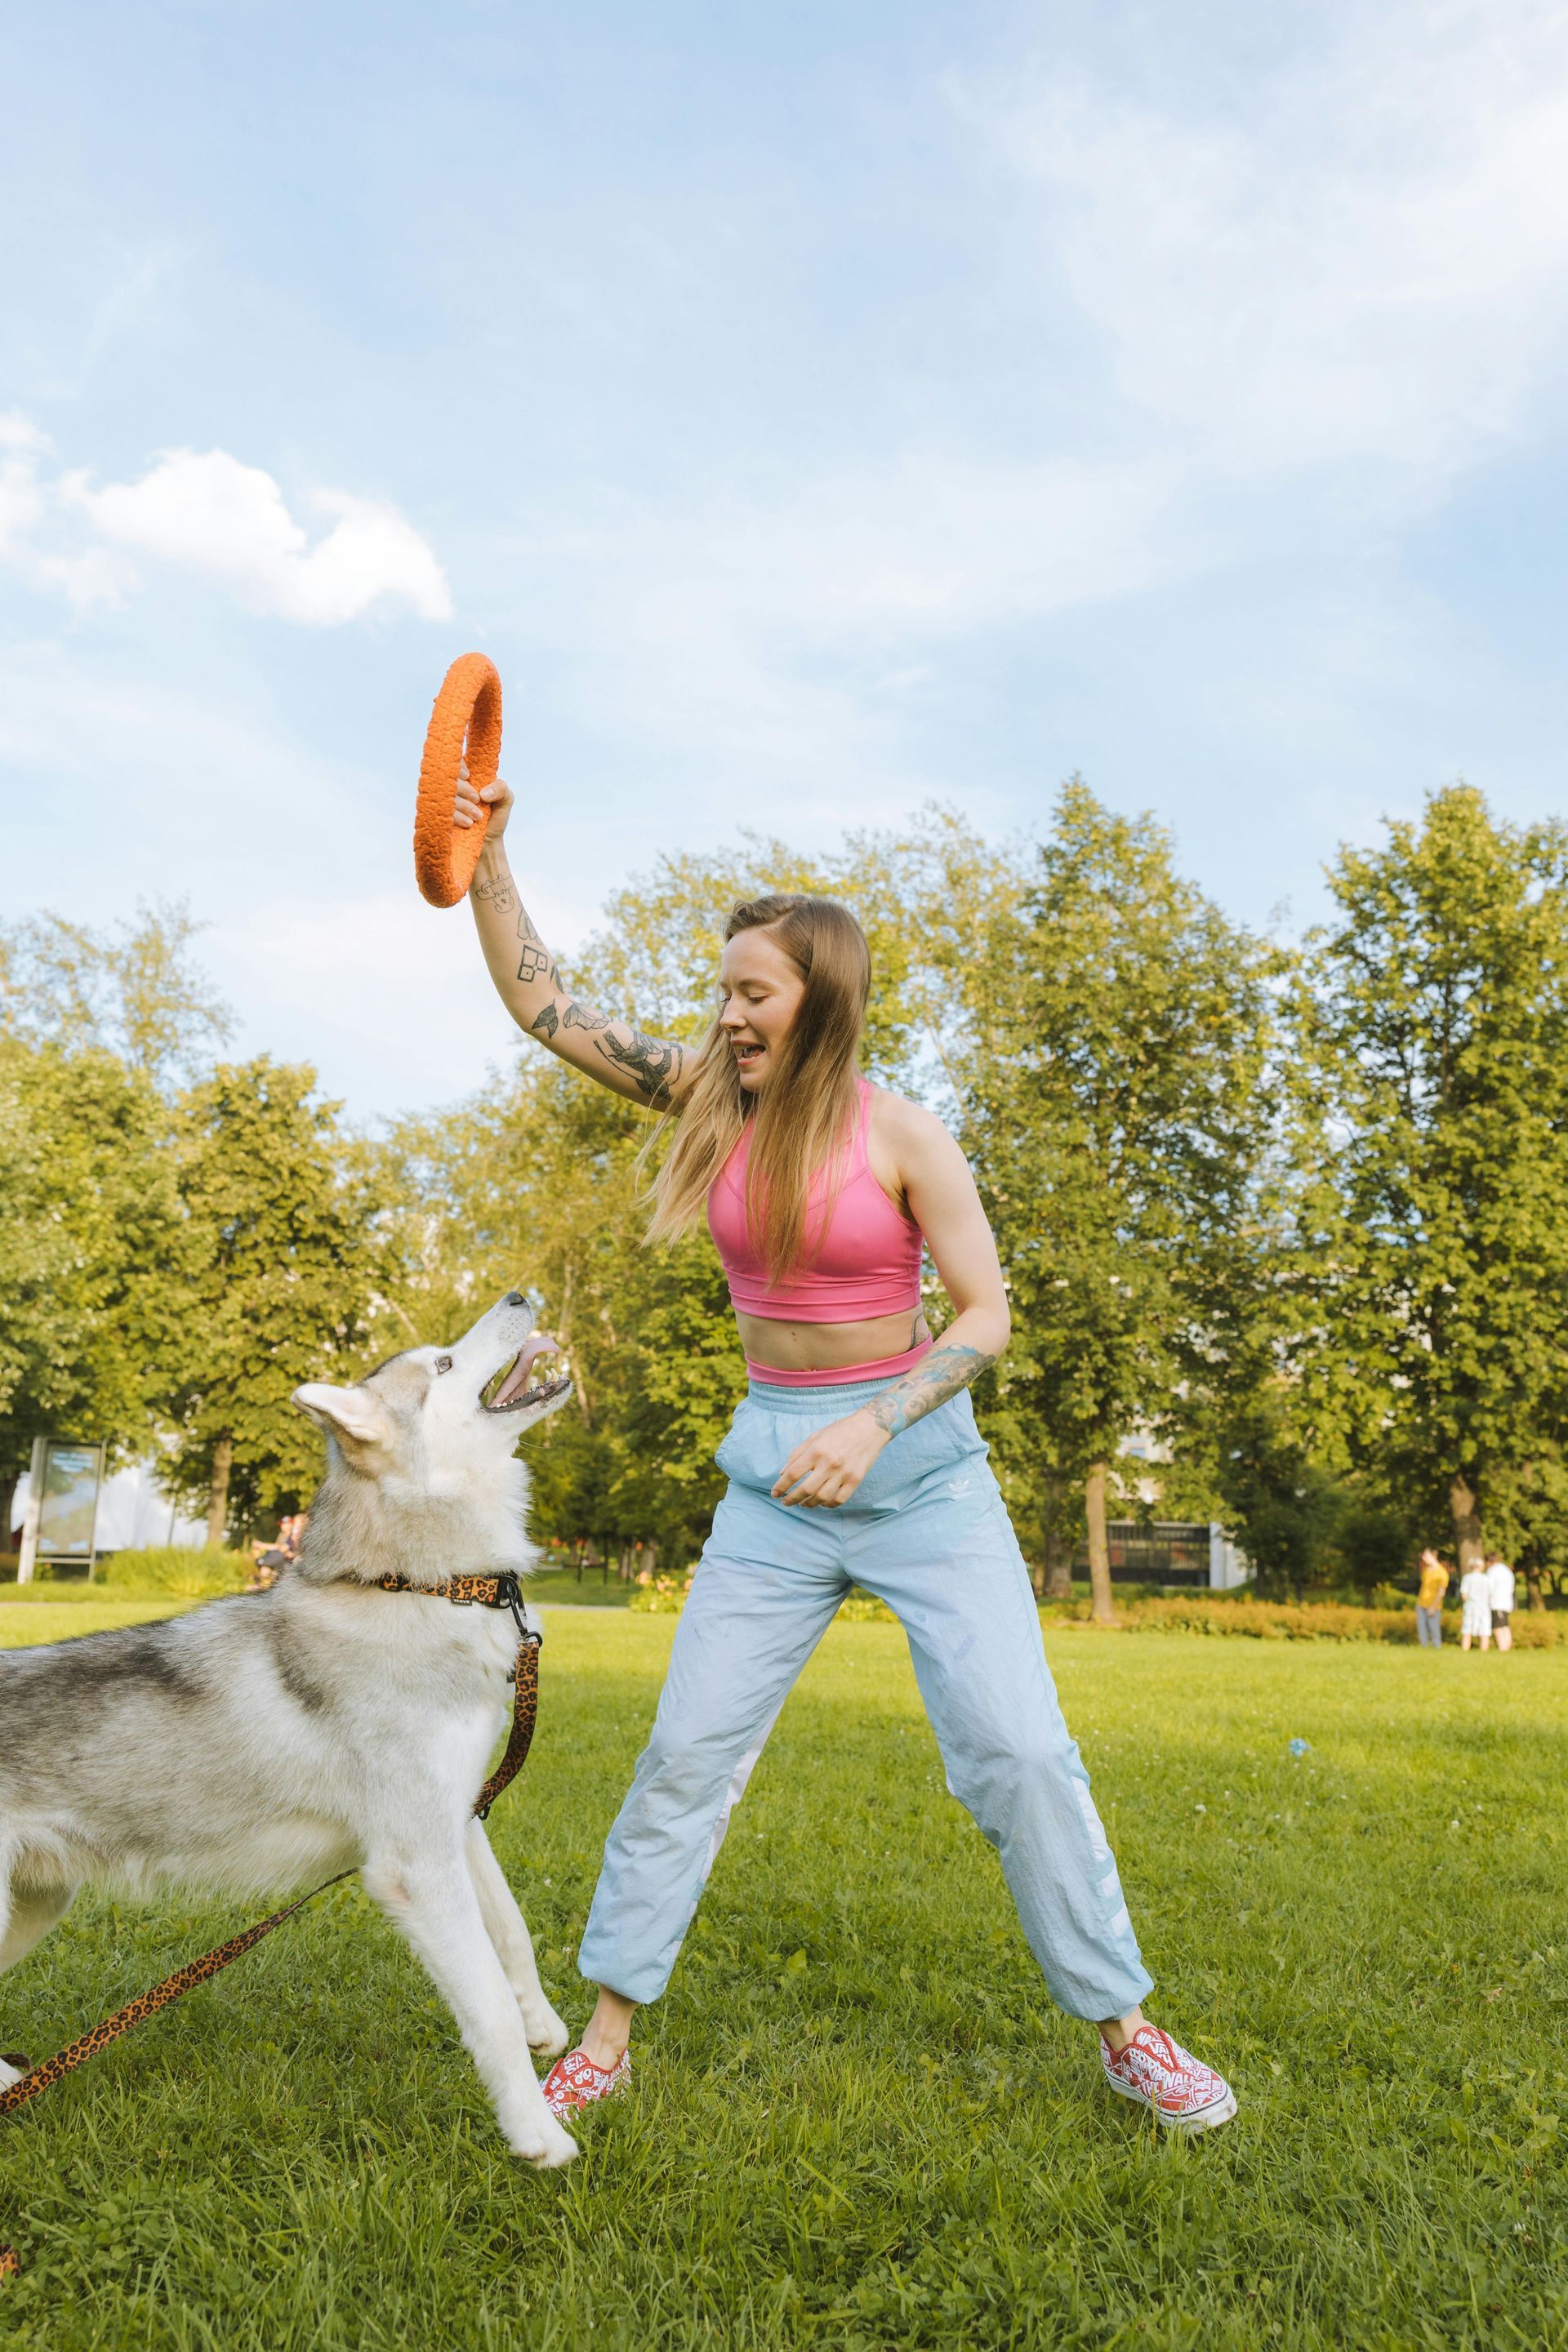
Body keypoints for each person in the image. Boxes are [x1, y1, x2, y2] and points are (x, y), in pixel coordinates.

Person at [451, 757, 1237, 2136]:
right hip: (776, 1485)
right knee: (687, 1752)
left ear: (819, 995)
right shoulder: (707, 1100)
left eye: (750, 991)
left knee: (1020, 1752)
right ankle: (609, 2035)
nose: (725, 1012)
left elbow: (988, 1317)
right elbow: (542, 1003)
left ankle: (1126, 2029)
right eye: (722, 990)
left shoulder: (906, 1136)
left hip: (922, 1478)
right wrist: (492, 853)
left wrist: (878, 1418)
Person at [1414, 1548, 1449, 1647]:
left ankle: (1436, 1648)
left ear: (1434, 1556)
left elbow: (1441, 1592)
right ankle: (1424, 1647)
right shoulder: (1426, 1571)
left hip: (1434, 1605)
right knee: (1421, 1628)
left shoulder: (1442, 1573)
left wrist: (1433, 1607)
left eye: (1426, 1556)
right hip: (1421, 1604)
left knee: (1434, 1628)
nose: (1424, 1558)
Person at [1459, 1557, 1492, 1652]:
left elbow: (1464, 1595)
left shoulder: (1467, 1578)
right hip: (1484, 1607)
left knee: (1467, 1630)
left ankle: (1465, 1650)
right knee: (1484, 1631)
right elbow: (1491, 1595)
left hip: (1471, 1607)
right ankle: (1484, 1651)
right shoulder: (1487, 1579)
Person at [1485, 1553, 1516, 1653]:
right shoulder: (1507, 1570)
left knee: (1497, 1627)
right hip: (1507, 1602)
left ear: (1489, 1562)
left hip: (1496, 1603)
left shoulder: (1492, 1571)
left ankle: (1503, 1649)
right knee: (1505, 1626)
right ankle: (1507, 1648)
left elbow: (1489, 1587)